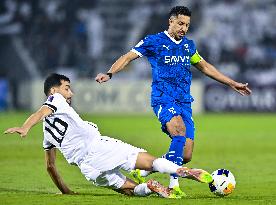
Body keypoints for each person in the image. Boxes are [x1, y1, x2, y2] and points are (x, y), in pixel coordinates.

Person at [95, 6, 252, 196]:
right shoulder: (154, 41)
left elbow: (205, 67)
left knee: (185, 155)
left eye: (187, 25)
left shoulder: (188, 46)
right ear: (170, 22)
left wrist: (231, 83)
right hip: (163, 98)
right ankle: (173, 186)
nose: (183, 28)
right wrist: (110, 73)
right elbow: (128, 57)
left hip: (184, 102)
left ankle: (144, 170)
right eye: (180, 23)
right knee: (179, 131)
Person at [4, 73, 212, 199]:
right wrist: (25, 126)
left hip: (88, 169)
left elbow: (50, 167)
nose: (71, 93)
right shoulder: (55, 99)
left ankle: (149, 188)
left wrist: (66, 192)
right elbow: (40, 112)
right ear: (53, 91)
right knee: (151, 162)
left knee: (129, 190)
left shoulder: (47, 134)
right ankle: (182, 171)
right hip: (99, 147)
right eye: (67, 88)